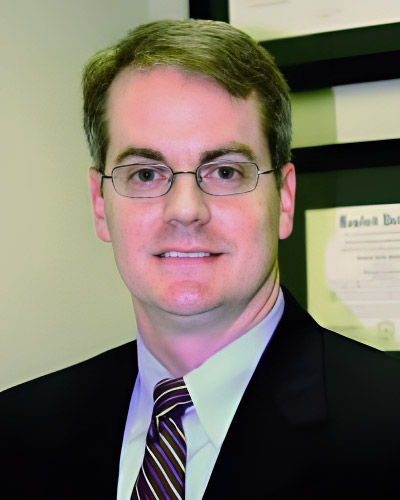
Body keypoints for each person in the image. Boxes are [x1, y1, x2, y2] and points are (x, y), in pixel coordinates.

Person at [2, 19, 400, 500]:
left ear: (285, 199)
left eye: (226, 171)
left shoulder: (387, 427)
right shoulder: (16, 431)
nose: (186, 210)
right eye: (146, 174)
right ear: (98, 204)